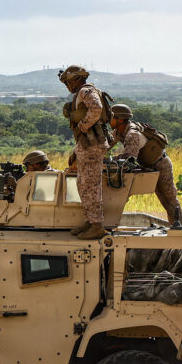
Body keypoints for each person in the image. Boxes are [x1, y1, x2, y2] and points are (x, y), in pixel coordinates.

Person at [108, 104, 182, 226]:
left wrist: (109, 159)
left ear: (120, 120)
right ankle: (176, 228)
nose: (109, 119)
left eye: (112, 117)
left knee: (169, 200)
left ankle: (179, 228)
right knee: (164, 199)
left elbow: (128, 159)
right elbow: (106, 145)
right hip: (149, 166)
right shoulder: (119, 131)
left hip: (160, 164)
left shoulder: (132, 134)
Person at [59, 65, 109, 240]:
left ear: (76, 79)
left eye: (68, 82)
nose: (67, 86)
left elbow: (96, 108)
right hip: (87, 144)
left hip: (92, 145)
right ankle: (90, 221)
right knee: (83, 184)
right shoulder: (83, 92)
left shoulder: (85, 91)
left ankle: (96, 226)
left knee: (90, 186)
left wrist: (82, 126)